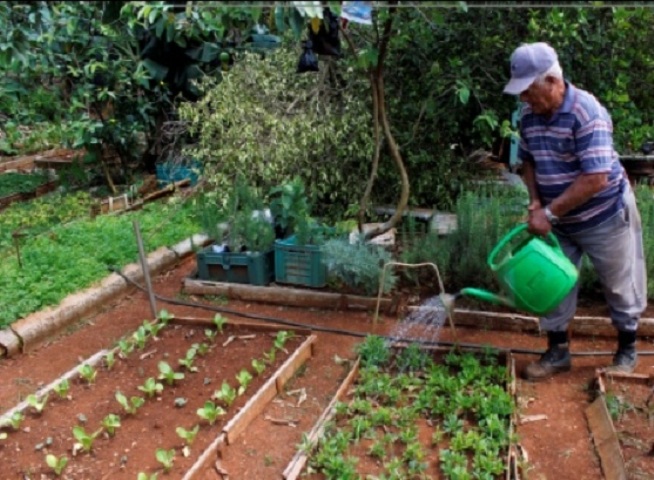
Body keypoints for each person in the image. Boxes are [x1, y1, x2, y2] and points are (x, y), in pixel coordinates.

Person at [503, 42, 647, 381]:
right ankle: (557, 353)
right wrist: (536, 202)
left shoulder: (587, 113)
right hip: (557, 219)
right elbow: (528, 161)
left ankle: (627, 350)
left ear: (552, 81)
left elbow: (595, 178)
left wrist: (549, 213)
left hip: (605, 215)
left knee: (619, 283)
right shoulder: (528, 116)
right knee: (553, 283)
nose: (524, 99)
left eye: (528, 90)